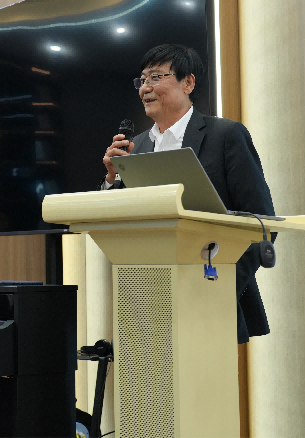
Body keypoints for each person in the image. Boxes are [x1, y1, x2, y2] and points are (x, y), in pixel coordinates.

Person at [100, 43, 275, 344]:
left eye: (156, 77)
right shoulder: (136, 147)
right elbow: (117, 223)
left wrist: (219, 286)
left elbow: (262, 224)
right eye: (142, 80)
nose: (145, 88)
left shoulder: (225, 136)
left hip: (211, 299)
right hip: (147, 301)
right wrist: (110, 180)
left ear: (188, 83)